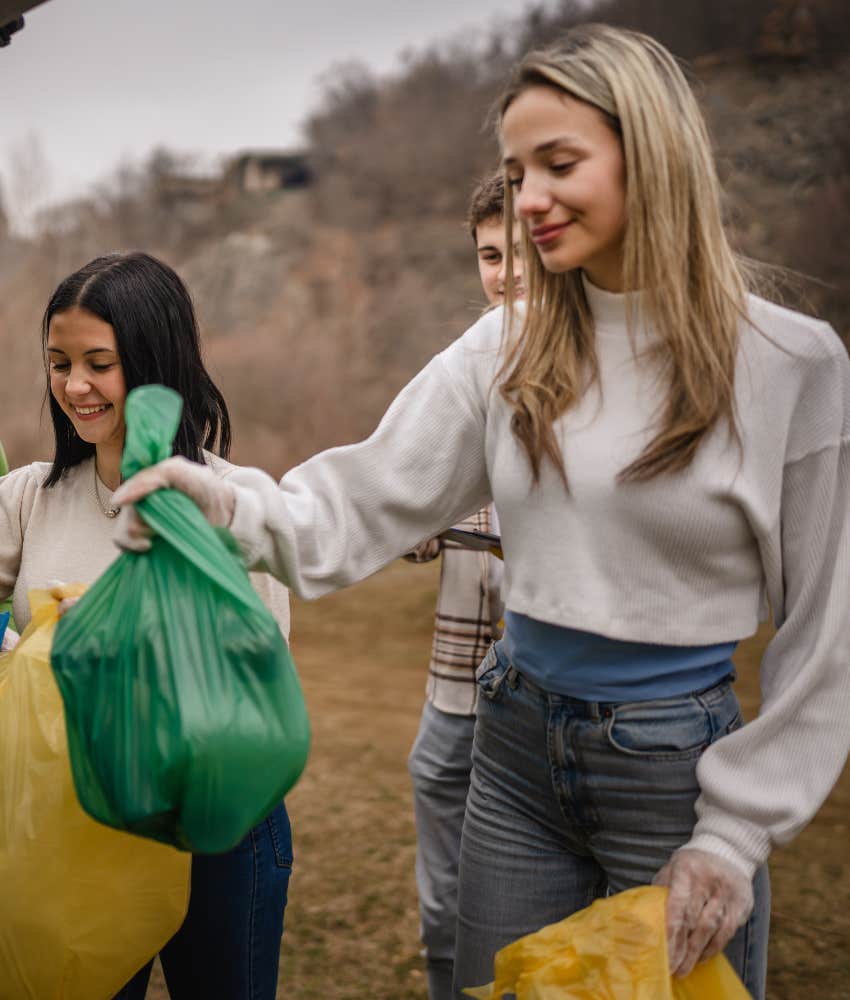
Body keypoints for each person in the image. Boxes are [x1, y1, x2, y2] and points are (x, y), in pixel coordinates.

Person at [113, 24, 850, 1000]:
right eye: (515, 173)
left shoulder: (792, 366)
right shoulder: (504, 345)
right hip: (512, 750)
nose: (528, 198)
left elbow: (827, 634)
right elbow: (356, 502)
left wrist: (735, 834)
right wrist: (220, 501)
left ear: (653, 156)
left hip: (673, 773)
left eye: (559, 164)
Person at [0, 252, 293, 1000]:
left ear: (157, 365)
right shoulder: (29, 499)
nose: (75, 386)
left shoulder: (225, 504)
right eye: (59, 364)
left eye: (100, 364)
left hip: (217, 824)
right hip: (77, 822)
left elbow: (254, 676)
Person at [405, 170, 519, 1000]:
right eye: (489, 256)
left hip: (541, 691)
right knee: (443, 900)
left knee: (524, 895)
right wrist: (416, 523)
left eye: (521, 254)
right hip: (452, 684)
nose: (505, 274)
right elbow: (406, 499)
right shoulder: (461, 372)